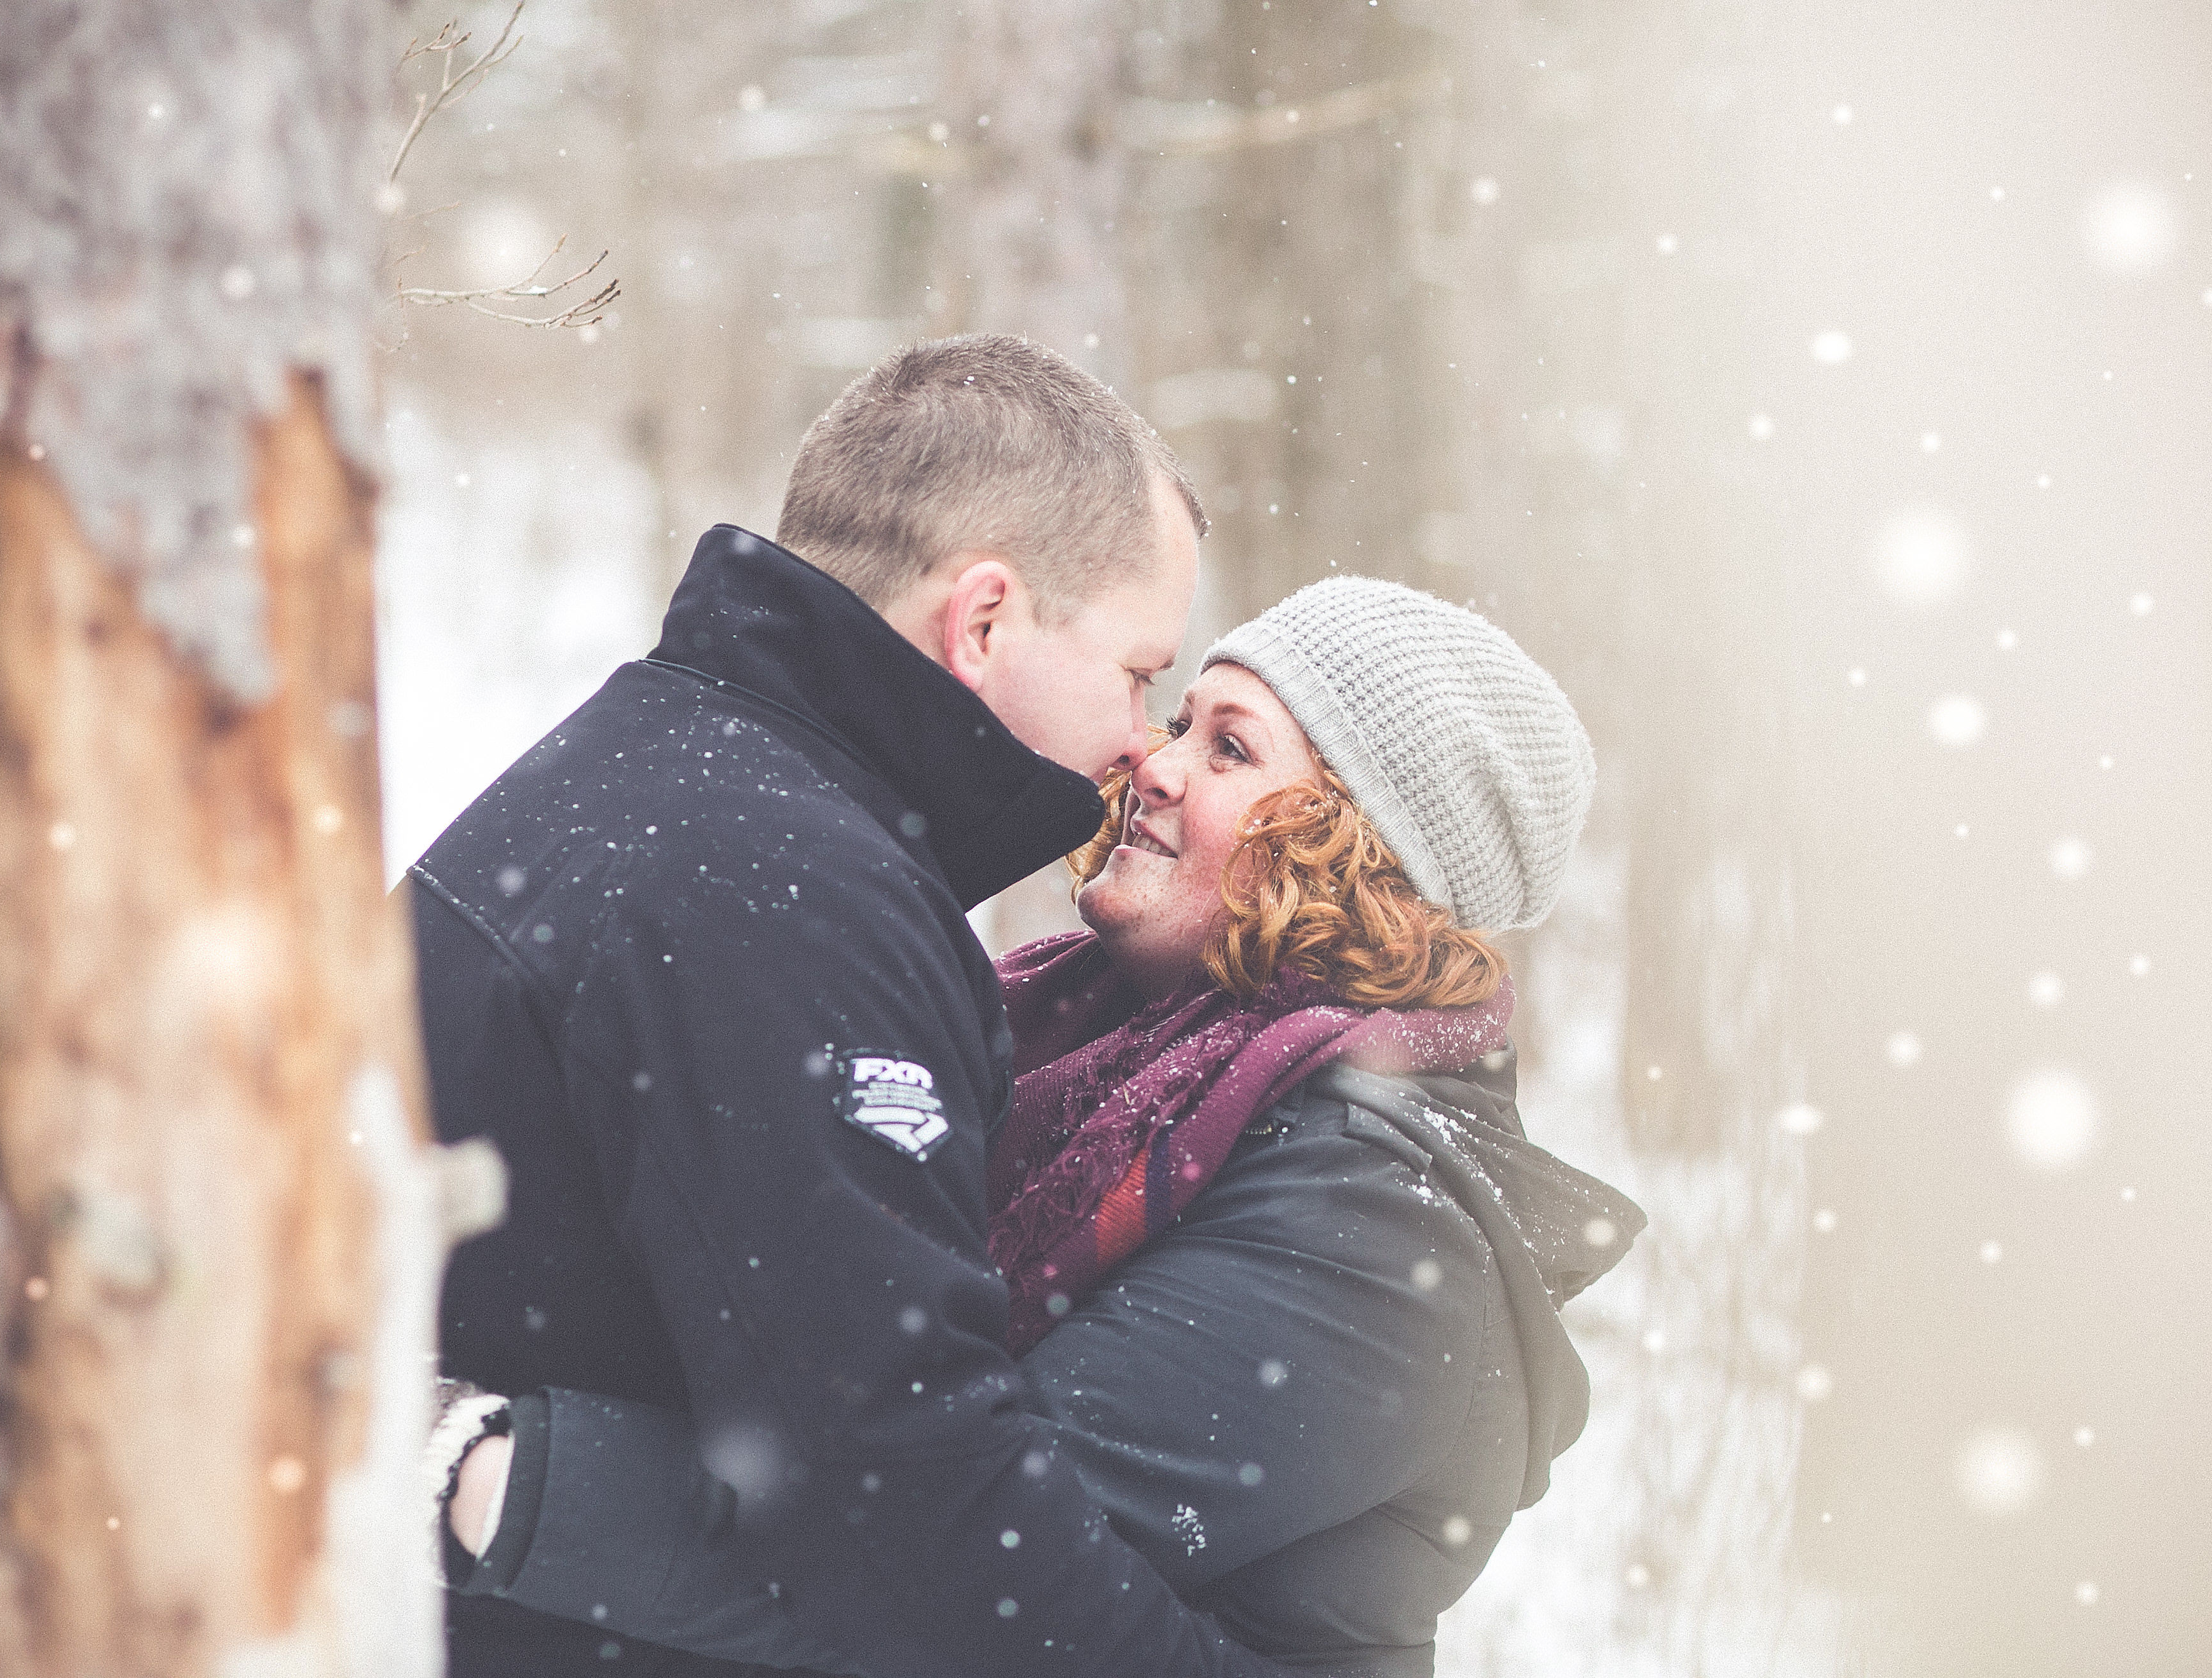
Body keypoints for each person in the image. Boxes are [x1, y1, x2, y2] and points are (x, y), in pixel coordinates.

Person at [436, 577, 1645, 1676]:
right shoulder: (1078, 1039)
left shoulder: (1377, 1237)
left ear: (1357, 862)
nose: (1152, 764)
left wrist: (488, 1473)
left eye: (1230, 749)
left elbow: (943, 1548)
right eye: (1178, 722)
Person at [409, 333, 1306, 1677]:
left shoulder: (677, 779)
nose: (1139, 741)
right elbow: (906, 1501)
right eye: (1136, 673)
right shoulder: (774, 894)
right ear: (985, 618)